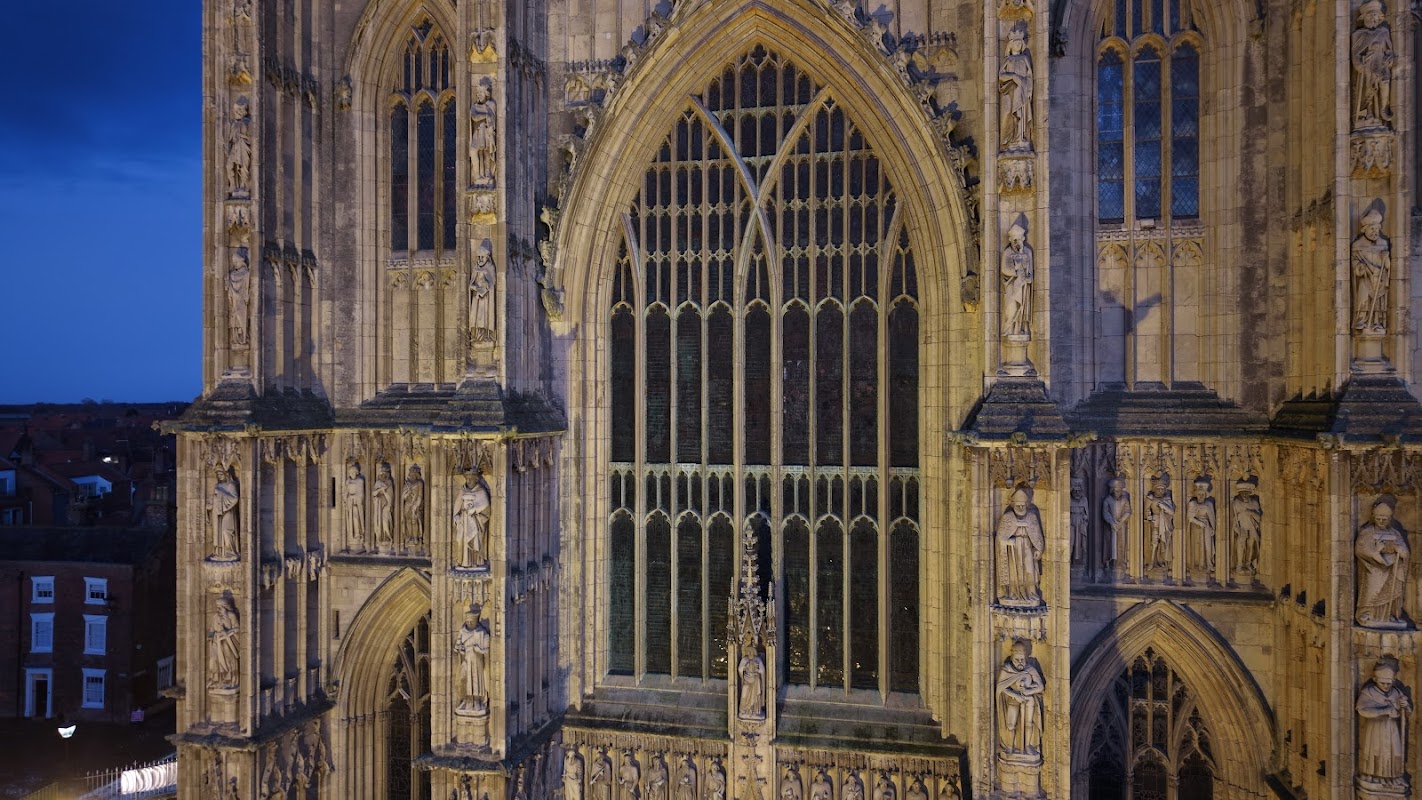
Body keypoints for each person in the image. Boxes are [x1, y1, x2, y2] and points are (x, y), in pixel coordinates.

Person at [1356, 496, 1410, 627]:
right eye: (1378, 518)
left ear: (1389, 519)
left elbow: (1405, 551)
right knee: (1372, 591)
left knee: (1392, 593)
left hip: (1392, 569)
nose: (1380, 521)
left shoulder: (1395, 533)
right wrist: (1376, 551)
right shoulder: (1367, 532)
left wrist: (1401, 550)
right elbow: (1360, 549)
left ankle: (1389, 615)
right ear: (1373, 517)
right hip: (1373, 570)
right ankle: (1368, 613)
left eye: (1384, 519)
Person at [1357, 659, 1411, 783]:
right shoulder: (1368, 692)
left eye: (1388, 683)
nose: (1386, 686)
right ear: (1375, 680)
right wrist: (1385, 711)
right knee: (1375, 752)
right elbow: (1362, 710)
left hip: (1392, 729)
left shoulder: (1396, 692)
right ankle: (1373, 776)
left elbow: (1406, 714)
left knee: (1394, 753)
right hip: (1375, 729)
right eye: (1383, 683)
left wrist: (1405, 706)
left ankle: (1393, 777)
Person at [995, 641, 1045, 760]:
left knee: (1028, 724)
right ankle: (1010, 746)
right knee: (1011, 725)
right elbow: (1001, 687)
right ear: (1012, 657)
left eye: (1022, 659)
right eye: (1017, 659)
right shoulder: (1006, 669)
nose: (1020, 662)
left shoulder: (1030, 669)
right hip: (1013, 700)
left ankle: (1027, 746)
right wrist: (1015, 694)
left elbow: (1040, 686)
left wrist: (1028, 692)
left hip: (1028, 700)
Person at [996, 487, 1044, 607]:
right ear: (1013, 504)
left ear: (1027, 504)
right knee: (1014, 572)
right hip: (1013, 549)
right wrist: (1007, 542)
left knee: (1029, 571)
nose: (1021, 508)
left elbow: (1037, 534)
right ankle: (1013, 594)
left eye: (1023, 505)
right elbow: (1000, 537)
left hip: (1027, 547)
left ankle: (1031, 593)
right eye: (1018, 505)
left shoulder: (1032, 517)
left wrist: (1038, 549)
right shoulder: (1007, 518)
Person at [1351, 0, 1394, 130]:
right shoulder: (1358, 34)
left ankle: (1383, 110)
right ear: (1364, 17)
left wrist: (1390, 57)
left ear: (1379, 16)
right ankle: (1369, 113)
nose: (1373, 18)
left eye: (1375, 15)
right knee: (1368, 90)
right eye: (1370, 15)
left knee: (1385, 82)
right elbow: (1355, 53)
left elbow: (1389, 50)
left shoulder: (1383, 32)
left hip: (1381, 63)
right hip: (1368, 64)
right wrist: (1359, 65)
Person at [1352, 208, 1391, 333]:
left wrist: (1386, 259)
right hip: (1365, 277)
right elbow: (1354, 262)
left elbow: (1388, 266)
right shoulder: (1357, 245)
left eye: (1377, 229)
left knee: (1379, 301)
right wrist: (1359, 268)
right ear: (1365, 229)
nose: (1375, 232)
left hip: (1379, 278)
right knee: (1363, 295)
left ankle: (1377, 322)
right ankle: (1362, 320)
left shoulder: (1383, 243)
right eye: (1372, 229)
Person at [998, 25, 1033, 150]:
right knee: (1009, 113)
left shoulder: (1024, 59)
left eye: (1020, 43)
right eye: (1015, 43)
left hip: (1022, 91)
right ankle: (1011, 138)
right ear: (1010, 45)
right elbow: (1001, 76)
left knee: (1022, 114)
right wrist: (1012, 76)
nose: (1018, 45)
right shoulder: (1008, 60)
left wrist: (1029, 89)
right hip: (1010, 91)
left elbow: (1029, 76)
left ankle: (1020, 137)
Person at [453, 604, 490, 714]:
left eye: (471, 622)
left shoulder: (482, 633)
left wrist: (478, 649)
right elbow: (457, 646)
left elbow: (486, 651)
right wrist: (460, 649)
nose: (469, 623)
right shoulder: (462, 632)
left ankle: (477, 700)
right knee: (464, 679)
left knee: (476, 681)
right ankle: (467, 700)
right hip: (466, 660)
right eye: (468, 621)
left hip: (477, 661)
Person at [999, 224, 1033, 338]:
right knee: (1011, 306)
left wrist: (1028, 277)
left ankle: (1019, 329)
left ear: (1022, 240)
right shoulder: (1007, 252)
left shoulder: (1027, 252)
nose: (1016, 242)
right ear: (1010, 240)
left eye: (1018, 240)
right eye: (1014, 240)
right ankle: (1009, 328)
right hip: (1011, 285)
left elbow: (1030, 271)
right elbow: (1004, 269)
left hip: (1023, 285)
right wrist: (1016, 269)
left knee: (1022, 307)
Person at [453, 469, 492, 568]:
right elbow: (457, 505)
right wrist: (456, 516)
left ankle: (475, 561)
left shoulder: (481, 491)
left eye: (470, 479)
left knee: (475, 541)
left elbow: (486, 506)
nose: (468, 481)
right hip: (463, 520)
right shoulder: (463, 490)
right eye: (467, 479)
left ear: (476, 479)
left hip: (476, 521)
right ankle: (462, 560)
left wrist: (474, 510)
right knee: (460, 539)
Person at [209, 594, 241, 689]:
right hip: (217, 641)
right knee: (215, 660)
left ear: (225, 607)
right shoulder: (216, 616)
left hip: (228, 641)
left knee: (228, 660)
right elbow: (212, 629)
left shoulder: (231, 615)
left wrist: (227, 632)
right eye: (217, 607)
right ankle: (218, 679)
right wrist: (211, 636)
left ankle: (230, 680)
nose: (218, 610)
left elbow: (237, 628)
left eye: (220, 608)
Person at [209, 465, 241, 561]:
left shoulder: (231, 485)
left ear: (226, 474)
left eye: (220, 474)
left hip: (228, 512)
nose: (219, 476)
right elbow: (213, 499)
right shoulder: (217, 486)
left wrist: (221, 493)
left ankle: (231, 552)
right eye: (217, 475)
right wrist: (210, 506)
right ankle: (220, 553)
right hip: (217, 513)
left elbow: (235, 498)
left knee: (226, 531)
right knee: (217, 532)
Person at [470, 81, 497, 187]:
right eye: (477, 92)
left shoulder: (491, 104)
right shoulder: (474, 106)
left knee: (486, 152)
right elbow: (474, 117)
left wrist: (487, 117)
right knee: (475, 152)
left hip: (486, 133)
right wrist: (485, 115)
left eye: (480, 92)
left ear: (486, 93)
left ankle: (487, 173)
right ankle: (477, 174)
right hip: (477, 133)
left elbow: (493, 118)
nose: (478, 94)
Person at [1231, 480, 1262, 573]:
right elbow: (1235, 518)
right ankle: (1239, 564)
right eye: (1242, 493)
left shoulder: (1254, 503)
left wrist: (1252, 513)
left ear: (1250, 493)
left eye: (1246, 493)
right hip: (1242, 528)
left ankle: (1248, 563)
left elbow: (1259, 518)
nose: (1244, 495)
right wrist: (1237, 528)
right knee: (1241, 545)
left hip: (1252, 527)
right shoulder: (1237, 502)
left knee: (1250, 545)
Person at [1185, 478, 1216, 574]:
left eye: (1203, 494)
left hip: (1206, 527)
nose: (1201, 496)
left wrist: (1213, 528)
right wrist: (1199, 523)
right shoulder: (1192, 504)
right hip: (1196, 527)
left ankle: (1208, 564)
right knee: (1197, 546)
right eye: (1199, 494)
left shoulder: (1209, 504)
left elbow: (1212, 517)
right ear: (1195, 494)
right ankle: (1197, 565)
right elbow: (1189, 517)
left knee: (1207, 546)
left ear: (1206, 494)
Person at [1144, 477, 1175, 570]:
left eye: (1162, 489)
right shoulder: (1151, 498)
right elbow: (1146, 510)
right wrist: (1149, 516)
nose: (1160, 491)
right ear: (1155, 489)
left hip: (1165, 523)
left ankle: (1162, 561)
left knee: (1163, 543)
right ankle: (1152, 562)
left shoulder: (1167, 499)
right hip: (1156, 522)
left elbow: (1172, 512)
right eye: (1158, 489)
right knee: (1154, 543)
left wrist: (1164, 506)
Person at [470, 240, 496, 343]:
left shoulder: (490, 267)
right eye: (479, 257)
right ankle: (477, 335)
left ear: (487, 257)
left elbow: (492, 282)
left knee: (484, 316)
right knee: (476, 316)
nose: (480, 259)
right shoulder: (476, 268)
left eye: (482, 257)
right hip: (477, 297)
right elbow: (473, 280)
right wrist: (473, 286)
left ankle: (485, 335)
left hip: (486, 298)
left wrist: (485, 283)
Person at [1102, 478, 1131, 571]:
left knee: (1122, 543)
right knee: (1110, 544)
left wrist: (1121, 520)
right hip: (1111, 525)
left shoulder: (1124, 500)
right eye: (1116, 491)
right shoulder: (1108, 500)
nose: (1117, 493)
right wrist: (1112, 522)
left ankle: (1121, 561)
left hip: (1121, 525)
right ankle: (1109, 562)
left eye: (1119, 491)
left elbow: (1128, 511)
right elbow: (1105, 512)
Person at [738, 638, 766, 719]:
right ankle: (744, 710)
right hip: (746, 681)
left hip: (755, 681)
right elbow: (740, 669)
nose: (750, 653)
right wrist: (745, 667)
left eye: (751, 651)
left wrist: (757, 669)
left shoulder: (757, 659)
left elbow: (762, 671)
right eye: (748, 651)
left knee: (755, 696)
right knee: (744, 694)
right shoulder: (745, 659)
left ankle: (755, 711)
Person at [402, 464, 426, 548]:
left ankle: (416, 537)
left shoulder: (419, 483)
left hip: (416, 504)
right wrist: (407, 494)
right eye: (411, 474)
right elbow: (403, 497)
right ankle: (410, 536)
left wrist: (416, 505)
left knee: (414, 520)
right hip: (408, 504)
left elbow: (420, 495)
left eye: (414, 474)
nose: (412, 476)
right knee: (408, 520)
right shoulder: (407, 483)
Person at [371, 462, 394, 549]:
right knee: (378, 524)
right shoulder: (378, 483)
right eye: (381, 473)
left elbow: (390, 497)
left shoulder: (389, 482)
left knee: (385, 522)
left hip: (386, 506)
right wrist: (380, 489)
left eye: (385, 473)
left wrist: (384, 491)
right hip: (378, 507)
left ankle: (388, 538)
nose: (383, 475)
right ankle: (380, 539)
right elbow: (374, 493)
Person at [345, 461, 366, 548]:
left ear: (357, 473)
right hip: (350, 504)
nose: (352, 474)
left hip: (357, 505)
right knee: (351, 520)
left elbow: (361, 495)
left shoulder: (360, 481)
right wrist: (347, 498)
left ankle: (358, 534)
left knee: (356, 518)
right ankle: (351, 535)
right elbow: (344, 493)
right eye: (351, 472)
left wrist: (354, 497)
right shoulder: (348, 481)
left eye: (354, 472)